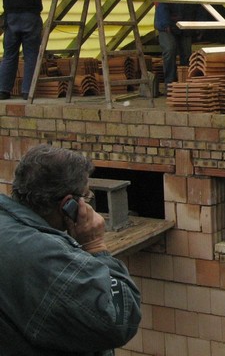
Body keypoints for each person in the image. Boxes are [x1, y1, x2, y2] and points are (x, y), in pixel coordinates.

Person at [0, 144, 142, 355]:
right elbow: (121, 320)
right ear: (68, 204)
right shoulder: (46, 257)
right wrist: (95, 246)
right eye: (86, 196)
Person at [0, 0, 50, 100]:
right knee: (31, 55)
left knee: (9, 55)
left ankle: (3, 90)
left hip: (12, 17)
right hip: (31, 17)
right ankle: (27, 91)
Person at [154, 0, 195, 89]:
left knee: (187, 54)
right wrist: (165, 23)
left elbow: (197, 2)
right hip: (167, 21)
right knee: (170, 49)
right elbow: (160, 1)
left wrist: (195, 24)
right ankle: (170, 84)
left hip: (185, 21)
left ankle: (185, 84)